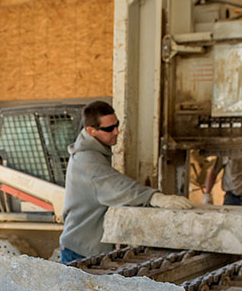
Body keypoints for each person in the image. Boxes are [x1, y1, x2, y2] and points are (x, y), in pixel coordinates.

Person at [59, 101, 192, 264]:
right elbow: (117, 187)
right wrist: (155, 198)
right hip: (80, 250)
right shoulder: (88, 162)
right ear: (91, 131)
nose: (116, 131)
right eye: (109, 129)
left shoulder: (95, 152)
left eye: (117, 125)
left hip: (87, 247)